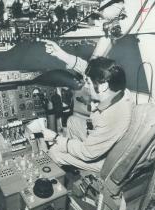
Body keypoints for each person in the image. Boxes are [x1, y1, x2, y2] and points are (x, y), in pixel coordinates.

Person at [41, 40, 134, 172]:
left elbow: (87, 152)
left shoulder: (112, 116)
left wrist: (56, 139)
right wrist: (60, 53)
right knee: (72, 121)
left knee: (55, 151)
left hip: (103, 161)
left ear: (102, 86)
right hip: (101, 142)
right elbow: (88, 70)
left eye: (89, 83)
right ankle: (74, 164)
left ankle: (67, 180)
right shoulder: (118, 88)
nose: (86, 86)